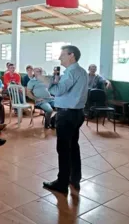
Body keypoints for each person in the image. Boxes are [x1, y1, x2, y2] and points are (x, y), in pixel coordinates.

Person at [40, 45, 88, 194]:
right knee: (73, 146)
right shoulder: (82, 71)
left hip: (66, 115)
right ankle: (75, 178)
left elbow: (58, 91)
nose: (59, 58)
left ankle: (62, 183)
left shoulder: (71, 72)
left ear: (71, 55)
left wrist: (43, 80)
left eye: (62, 55)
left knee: (63, 149)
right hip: (77, 113)